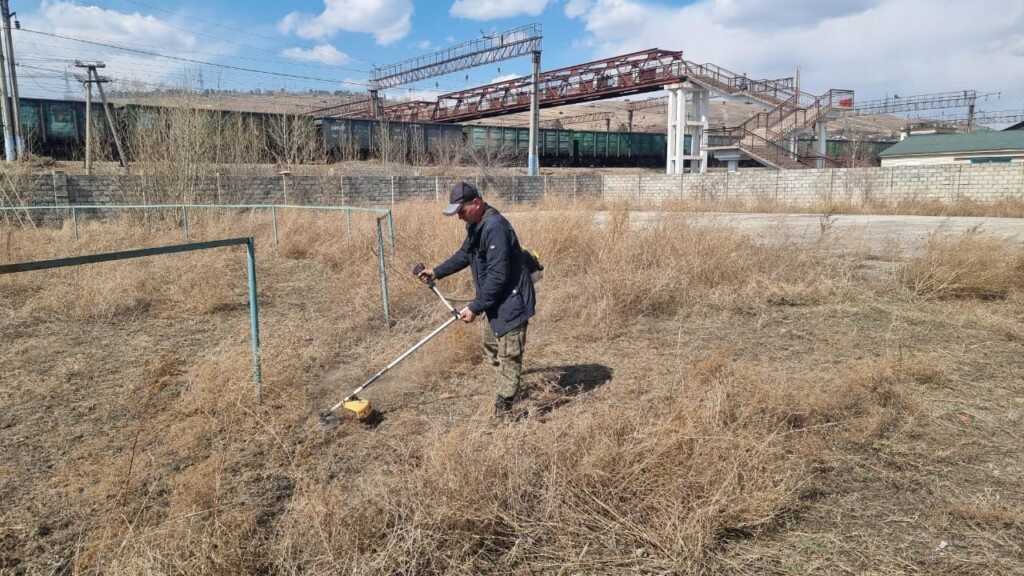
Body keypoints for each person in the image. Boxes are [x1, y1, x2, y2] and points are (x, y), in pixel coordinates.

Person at [417, 181, 536, 420]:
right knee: (492, 349)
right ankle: (507, 391)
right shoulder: (475, 225)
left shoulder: (495, 227)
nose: (459, 217)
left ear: (477, 203)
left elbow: (498, 276)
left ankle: (505, 411)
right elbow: (465, 254)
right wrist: (437, 271)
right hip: (494, 303)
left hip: (511, 303)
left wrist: (474, 307)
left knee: (509, 356)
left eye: (462, 211)